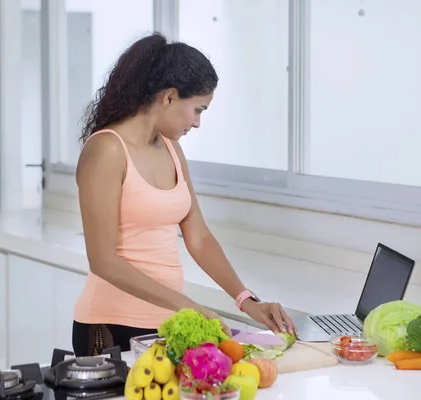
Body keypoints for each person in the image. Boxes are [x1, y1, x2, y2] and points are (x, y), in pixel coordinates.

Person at [72, 32, 297, 357]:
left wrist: (247, 302)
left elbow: (199, 237)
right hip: (110, 326)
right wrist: (190, 306)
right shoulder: (107, 149)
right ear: (169, 97)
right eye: (198, 110)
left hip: (165, 324)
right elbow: (104, 260)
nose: (198, 123)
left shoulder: (171, 148)